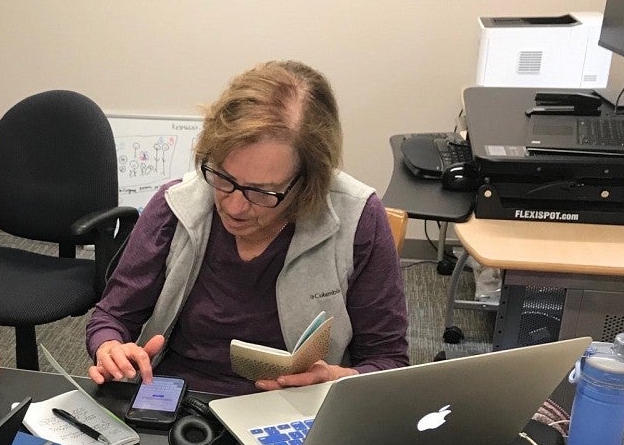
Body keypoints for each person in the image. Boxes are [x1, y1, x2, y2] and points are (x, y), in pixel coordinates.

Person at [87, 60, 408, 396]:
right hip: (179, 397)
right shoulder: (178, 205)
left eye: (262, 192)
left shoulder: (357, 217)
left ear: (310, 180)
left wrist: (336, 379)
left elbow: (387, 360)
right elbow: (111, 316)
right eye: (224, 179)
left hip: (294, 405)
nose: (235, 206)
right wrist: (110, 346)